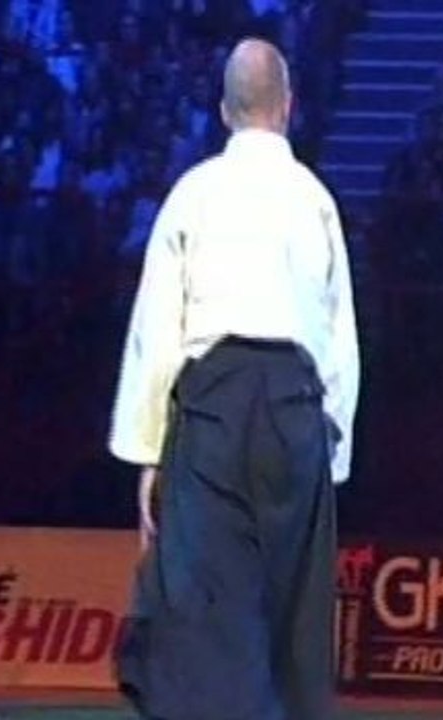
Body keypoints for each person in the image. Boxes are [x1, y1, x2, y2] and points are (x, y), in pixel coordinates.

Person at [106, 38, 360, 720]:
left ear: (224, 110)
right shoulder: (315, 200)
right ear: (289, 106)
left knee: (205, 615)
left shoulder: (194, 195)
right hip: (296, 413)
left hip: (213, 414)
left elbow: (156, 331)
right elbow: (339, 340)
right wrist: (331, 453)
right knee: (292, 614)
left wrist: (148, 450)